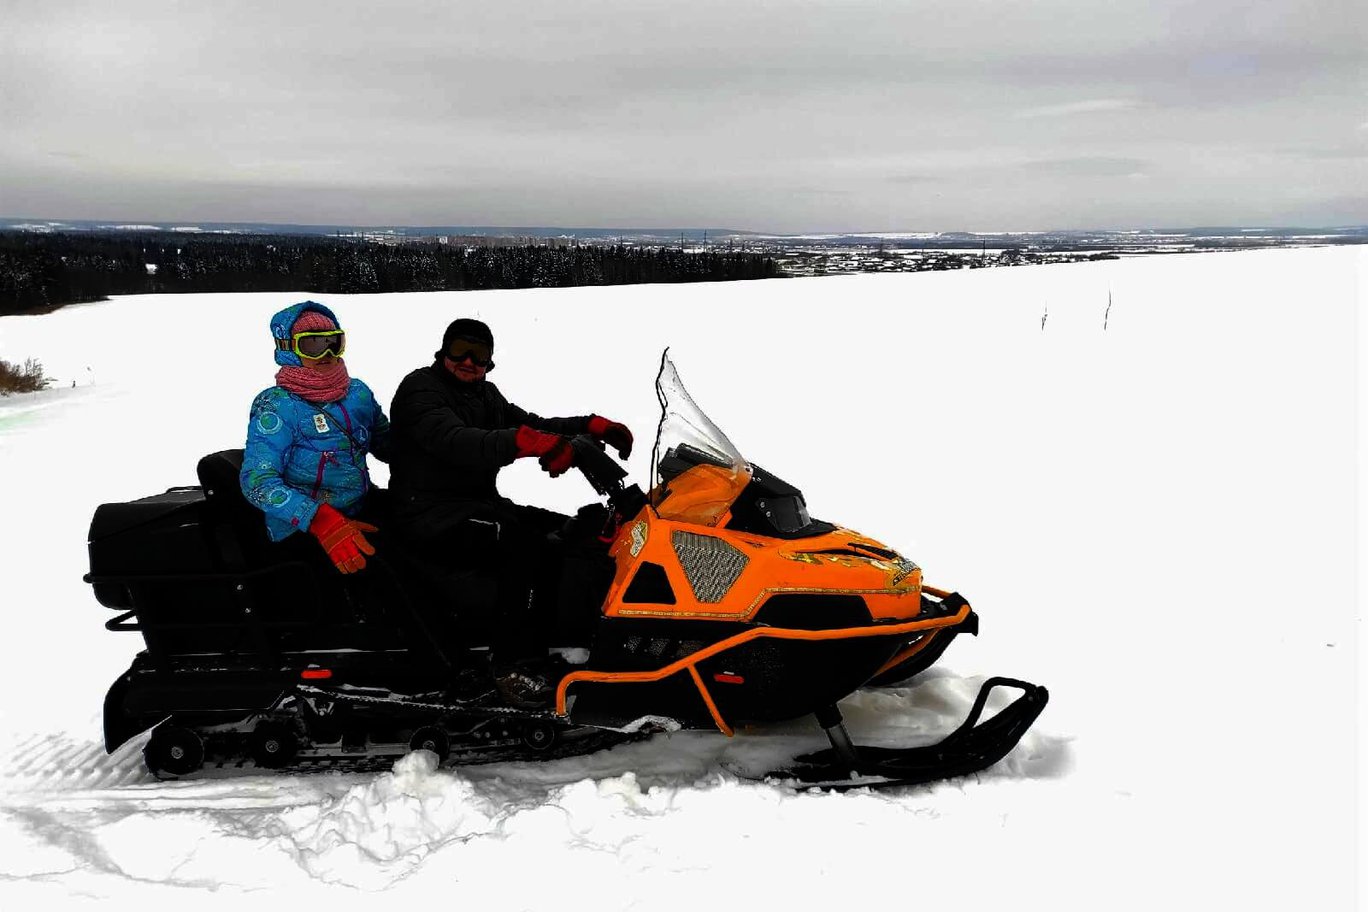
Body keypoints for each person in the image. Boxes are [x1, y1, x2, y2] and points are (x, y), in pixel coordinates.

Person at [388, 317, 633, 708]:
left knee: (567, 530)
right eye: (459, 351)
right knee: (524, 544)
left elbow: (531, 424)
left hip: (477, 504)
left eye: (479, 354)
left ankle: (562, 640)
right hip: (428, 515)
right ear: (443, 351)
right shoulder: (420, 390)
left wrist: (588, 427)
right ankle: (509, 666)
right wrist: (526, 443)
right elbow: (455, 440)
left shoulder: (486, 395)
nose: (468, 361)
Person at [240, 301, 392, 575]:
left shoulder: (357, 393)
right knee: (382, 573)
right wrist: (320, 520)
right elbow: (257, 482)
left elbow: (389, 444)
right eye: (312, 345)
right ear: (288, 349)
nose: (327, 353)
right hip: (302, 526)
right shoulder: (277, 406)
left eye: (334, 342)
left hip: (358, 507)